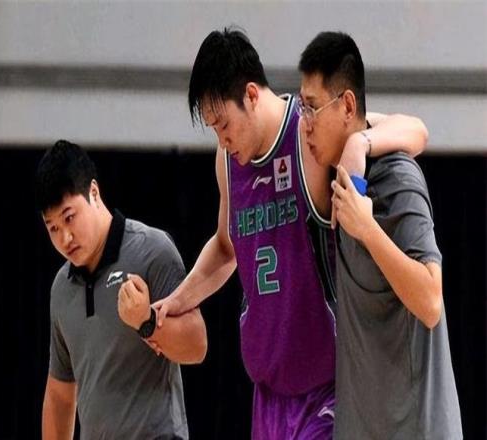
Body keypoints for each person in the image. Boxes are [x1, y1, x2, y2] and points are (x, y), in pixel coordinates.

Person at [153, 28, 428, 439]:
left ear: (250, 95)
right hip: (268, 393)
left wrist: (360, 143)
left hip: (328, 389)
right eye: (213, 129)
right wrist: (178, 299)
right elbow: (226, 248)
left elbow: (416, 130)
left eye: (224, 124)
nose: (222, 138)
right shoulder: (226, 161)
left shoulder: (309, 130)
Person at [298, 31, 462, 439]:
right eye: (302, 108)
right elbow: (412, 127)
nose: (305, 125)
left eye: (312, 108)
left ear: (347, 105)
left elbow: (431, 301)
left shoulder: (398, 178)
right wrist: (358, 141)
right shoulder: (339, 170)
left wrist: (367, 229)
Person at [36, 140, 207, 440]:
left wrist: (146, 322)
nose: (65, 238)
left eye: (69, 217)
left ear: (93, 192)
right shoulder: (62, 288)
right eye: (53, 228)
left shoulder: (152, 250)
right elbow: (60, 394)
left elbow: (197, 345)